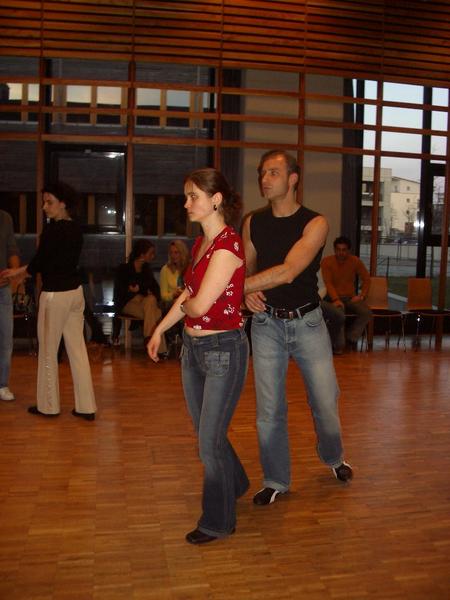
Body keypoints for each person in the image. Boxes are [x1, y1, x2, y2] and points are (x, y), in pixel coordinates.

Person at [242, 149, 353, 507]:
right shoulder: (252, 222)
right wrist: (247, 291)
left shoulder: (315, 223)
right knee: (269, 410)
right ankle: (276, 479)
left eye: (273, 172)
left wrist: (234, 288)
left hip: (308, 323)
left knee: (325, 400)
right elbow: (246, 268)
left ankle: (334, 457)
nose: (264, 179)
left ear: (293, 179)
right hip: (266, 324)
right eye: (262, 173)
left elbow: (289, 271)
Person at [147, 168, 249, 545]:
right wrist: (160, 330)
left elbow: (199, 303)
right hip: (193, 350)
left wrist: (190, 302)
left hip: (223, 350)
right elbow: (188, 297)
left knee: (209, 442)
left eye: (193, 196)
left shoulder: (227, 246)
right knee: (209, 432)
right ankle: (236, 482)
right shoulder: (201, 244)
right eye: (186, 196)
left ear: (216, 199)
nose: (186, 203)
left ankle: (218, 521)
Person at [3, 182, 96, 420]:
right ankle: (86, 407)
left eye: (49, 202)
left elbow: (40, 263)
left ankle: (48, 406)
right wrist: (20, 272)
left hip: (55, 295)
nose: (44, 207)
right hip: (75, 294)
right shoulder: (76, 229)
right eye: (44, 202)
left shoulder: (53, 230)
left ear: (63, 203)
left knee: (47, 351)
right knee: (77, 350)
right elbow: (47, 261)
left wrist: (17, 273)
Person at [111, 239, 166, 353]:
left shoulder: (146, 270)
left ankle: (149, 339)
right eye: (151, 253)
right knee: (157, 313)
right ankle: (160, 350)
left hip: (144, 303)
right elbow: (121, 291)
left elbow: (156, 290)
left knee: (151, 301)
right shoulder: (124, 269)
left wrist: (140, 290)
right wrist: (135, 291)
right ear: (142, 254)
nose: (153, 256)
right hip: (126, 303)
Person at [321, 235, 371, 353]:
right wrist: (336, 299)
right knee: (340, 312)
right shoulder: (327, 261)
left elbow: (366, 279)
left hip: (350, 298)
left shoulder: (355, 261)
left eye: (344, 250)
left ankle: (351, 338)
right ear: (335, 250)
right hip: (332, 298)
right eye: (338, 250)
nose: (341, 253)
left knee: (366, 313)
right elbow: (328, 283)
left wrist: (361, 296)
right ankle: (338, 344)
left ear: (348, 250)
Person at [0, 209, 20, 402]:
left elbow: (12, 248)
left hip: (3, 288)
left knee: (6, 339)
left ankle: (2, 384)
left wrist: (14, 273)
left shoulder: (5, 218)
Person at [159, 239, 190, 311]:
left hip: (187, 299)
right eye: (171, 253)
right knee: (178, 302)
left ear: (182, 253)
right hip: (171, 302)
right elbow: (163, 295)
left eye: (176, 252)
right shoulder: (165, 269)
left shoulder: (189, 267)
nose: (173, 256)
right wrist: (174, 294)